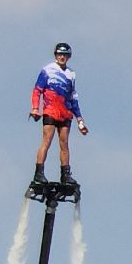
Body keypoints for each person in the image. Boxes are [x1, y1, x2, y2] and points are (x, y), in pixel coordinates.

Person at [30, 42, 89, 186]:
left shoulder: (71, 74)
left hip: (65, 112)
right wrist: (35, 108)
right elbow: (37, 90)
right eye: (59, 54)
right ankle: (39, 172)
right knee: (47, 140)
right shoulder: (47, 70)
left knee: (64, 144)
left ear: (68, 56)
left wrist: (79, 119)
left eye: (65, 55)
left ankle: (65, 174)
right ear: (56, 55)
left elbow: (73, 97)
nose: (62, 57)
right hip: (50, 110)